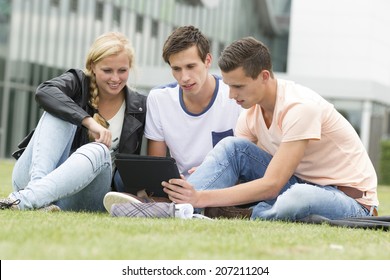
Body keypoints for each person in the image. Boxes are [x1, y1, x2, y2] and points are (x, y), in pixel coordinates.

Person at [161, 36, 379, 221]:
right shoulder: (249, 113)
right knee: (231, 147)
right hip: (296, 183)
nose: (231, 95)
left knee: (299, 197)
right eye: (228, 86)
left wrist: (201, 196)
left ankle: (248, 213)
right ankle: (177, 209)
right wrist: (210, 171)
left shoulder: (300, 108)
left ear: (264, 76)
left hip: (349, 200)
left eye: (238, 86)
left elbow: (272, 185)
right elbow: (238, 168)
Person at [0, 32, 146, 212]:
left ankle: (27, 199)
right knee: (59, 110)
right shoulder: (78, 83)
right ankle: (38, 197)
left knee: (100, 150)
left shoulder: (139, 107)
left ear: (130, 68)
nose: (115, 78)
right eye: (107, 70)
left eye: (122, 70)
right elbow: (44, 92)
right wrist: (88, 122)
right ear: (92, 66)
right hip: (30, 177)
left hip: (85, 193)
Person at [112, 25, 241, 193]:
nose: (184, 77)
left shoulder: (234, 96)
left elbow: (243, 158)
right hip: (178, 184)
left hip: (222, 183)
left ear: (208, 61)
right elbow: (157, 165)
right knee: (122, 178)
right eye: (176, 69)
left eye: (191, 66)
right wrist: (168, 182)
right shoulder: (159, 99)